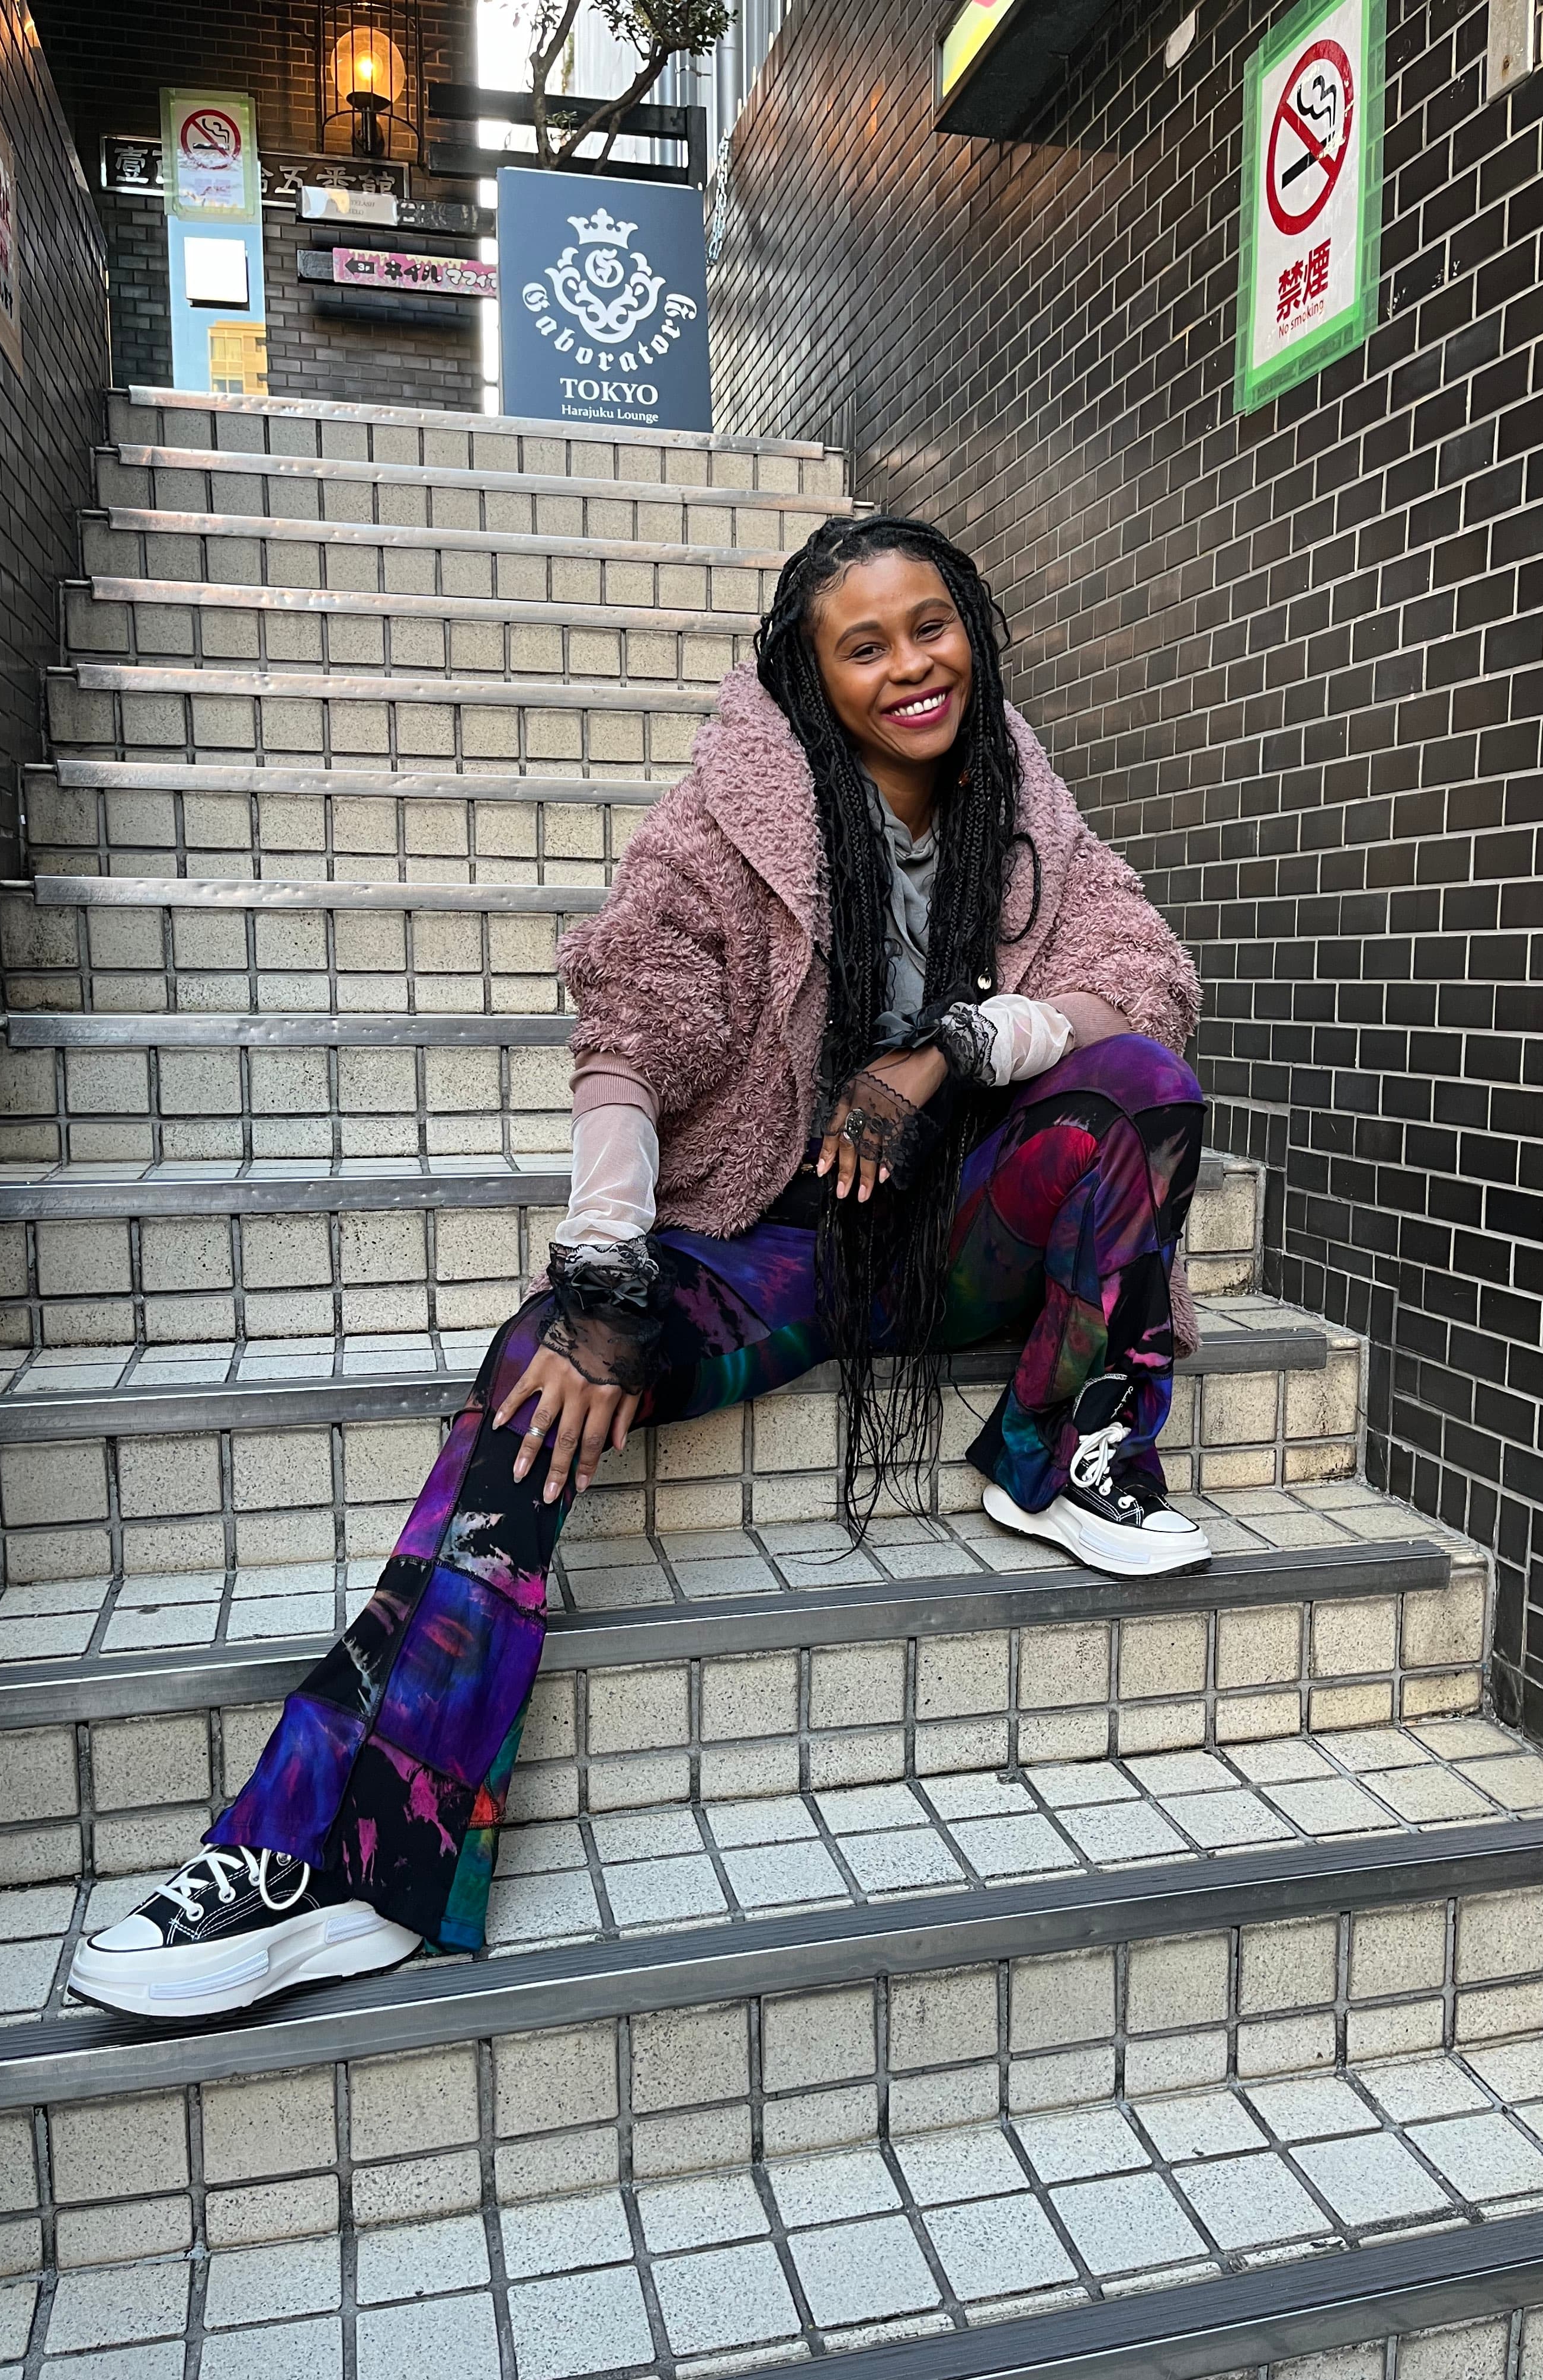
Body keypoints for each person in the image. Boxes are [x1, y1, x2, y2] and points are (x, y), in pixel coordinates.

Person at [70, 514, 1208, 2021]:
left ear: (973, 626)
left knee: (1141, 1085)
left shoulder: (1021, 796)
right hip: (777, 1248)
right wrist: (606, 1273)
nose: (910, 666)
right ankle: (339, 1858)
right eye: (864, 645)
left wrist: (946, 1048)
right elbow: (633, 1030)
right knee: (540, 1374)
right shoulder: (731, 821)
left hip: (961, 1236)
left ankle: (1063, 1449)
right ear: (813, 674)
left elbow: (1143, 971)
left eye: (930, 626)